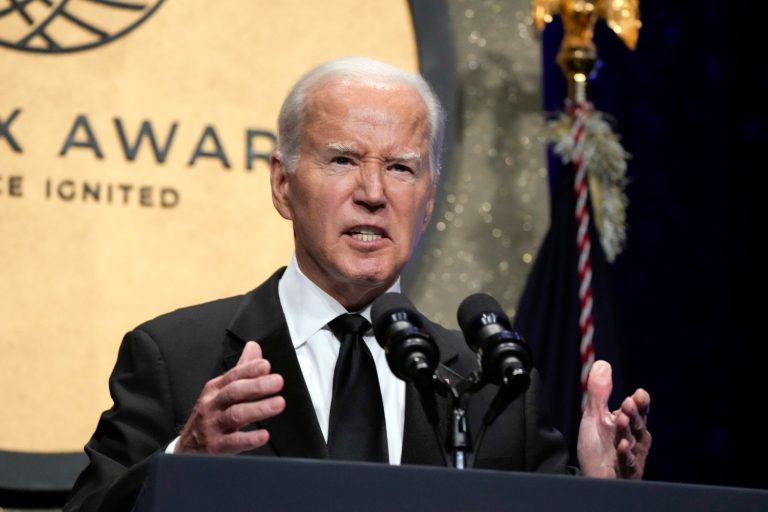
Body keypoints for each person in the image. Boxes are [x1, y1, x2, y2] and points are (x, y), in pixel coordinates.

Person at [63, 56, 651, 512]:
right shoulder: (177, 358)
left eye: (401, 167)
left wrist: (608, 494)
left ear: (426, 204)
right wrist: (180, 461)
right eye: (343, 160)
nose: (373, 192)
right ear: (282, 185)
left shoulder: (488, 386)